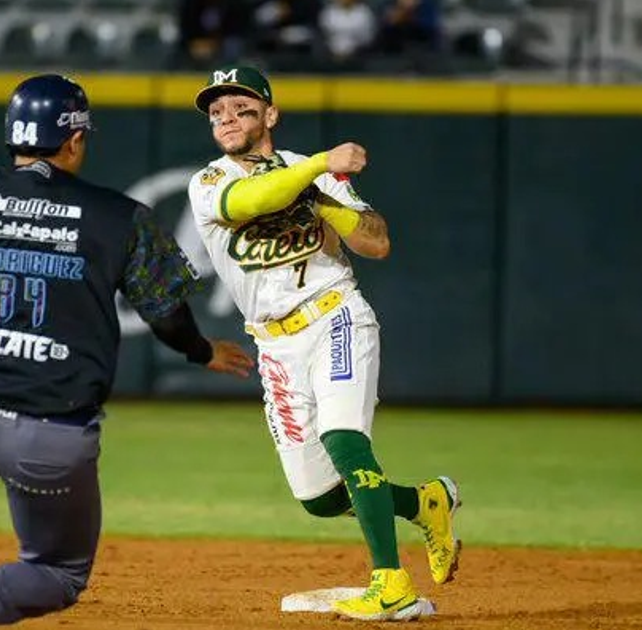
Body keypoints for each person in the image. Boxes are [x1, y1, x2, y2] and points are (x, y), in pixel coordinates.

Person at [0, 74, 254, 630]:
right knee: (59, 571)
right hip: (51, 434)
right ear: (76, 140)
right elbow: (166, 316)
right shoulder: (117, 217)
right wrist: (201, 352)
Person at [185, 66, 461, 622]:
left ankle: (390, 583)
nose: (227, 120)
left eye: (241, 108)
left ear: (270, 115)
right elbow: (248, 202)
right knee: (318, 498)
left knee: (344, 439)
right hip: (273, 345)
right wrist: (315, 167)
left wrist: (318, 191)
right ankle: (424, 502)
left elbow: (375, 242)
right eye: (217, 113)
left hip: (334, 316)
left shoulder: (311, 174)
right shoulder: (209, 182)